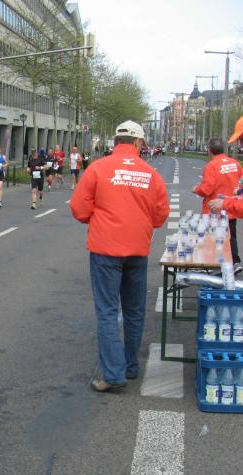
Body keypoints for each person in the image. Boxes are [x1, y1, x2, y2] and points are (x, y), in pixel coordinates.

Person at [70, 121, 169, 392]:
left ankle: (113, 374)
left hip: (105, 249)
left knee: (107, 312)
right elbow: (161, 214)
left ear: (115, 142)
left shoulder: (98, 168)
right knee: (134, 311)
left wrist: (99, 219)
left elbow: (79, 209)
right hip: (138, 249)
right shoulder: (150, 174)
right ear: (138, 143)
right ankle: (130, 366)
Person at [195, 137, 243, 265]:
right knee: (231, 235)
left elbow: (206, 189)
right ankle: (234, 261)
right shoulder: (235, 163)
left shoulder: (211, 166)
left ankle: (216, 263)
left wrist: (196, 189)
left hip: (215, 209)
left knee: (215, 238)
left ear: (209, 150)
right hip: (233, 207)